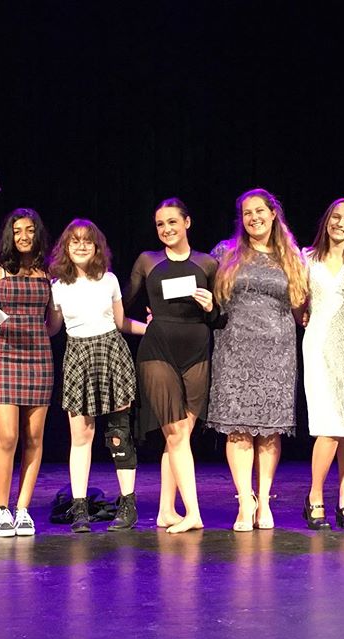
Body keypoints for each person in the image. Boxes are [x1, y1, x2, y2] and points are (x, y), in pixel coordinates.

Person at [208, 188, 308, 531]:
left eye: (260, 211)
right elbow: (206, 295)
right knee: (238, 429)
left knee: (268, 430)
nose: (254, 218)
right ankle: (244, 501)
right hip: (234, 347)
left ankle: (264, 500)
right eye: (247, 213)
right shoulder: (226, 252)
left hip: (277, 351)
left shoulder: (292, 257)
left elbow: (301, 309)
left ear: (273, 213)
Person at [123, 198, 218, 534]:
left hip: (196, 352)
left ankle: (165, 510)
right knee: (176, 434)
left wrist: (212, 307)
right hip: (158, 351)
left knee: (179, 437)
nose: (166, 229)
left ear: (187, 223)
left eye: (172, 222)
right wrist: (141, 325)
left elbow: (221, 317)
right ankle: (193, 512)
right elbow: (120, 305)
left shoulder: (207, 263)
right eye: (160, 224)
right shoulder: (148, 261)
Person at [49, 219, 146, 532]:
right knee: (82, 437)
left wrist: (154, 329)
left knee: (119, 435)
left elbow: (121, 323)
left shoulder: (109, 280)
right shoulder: (58, 286)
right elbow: (51, 328)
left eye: (87, 241)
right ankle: (79, 508)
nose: (80, 245)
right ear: (66, 247)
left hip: (112, 353)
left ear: (96, 247)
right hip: (78, 356)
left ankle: (127, 503)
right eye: (74, 241)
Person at [0, 208, 54, 538]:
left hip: (39, 357)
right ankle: (1, 510)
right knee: (8, 436)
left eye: (29, 230)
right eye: (17, 231)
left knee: (34, 438)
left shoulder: (47, 271)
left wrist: (43, 327)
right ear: (9, 235)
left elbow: (53, 323)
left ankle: (22, 509)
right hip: (5, 356)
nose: (23, 236)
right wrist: (6, 326)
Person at [301, 198, 344, 531]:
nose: (342, 223)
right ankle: (315, 497)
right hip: (317, 345)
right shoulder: (306, 258)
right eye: (337, 217)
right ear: (327, 220)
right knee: (329, 425)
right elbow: (296, 300)